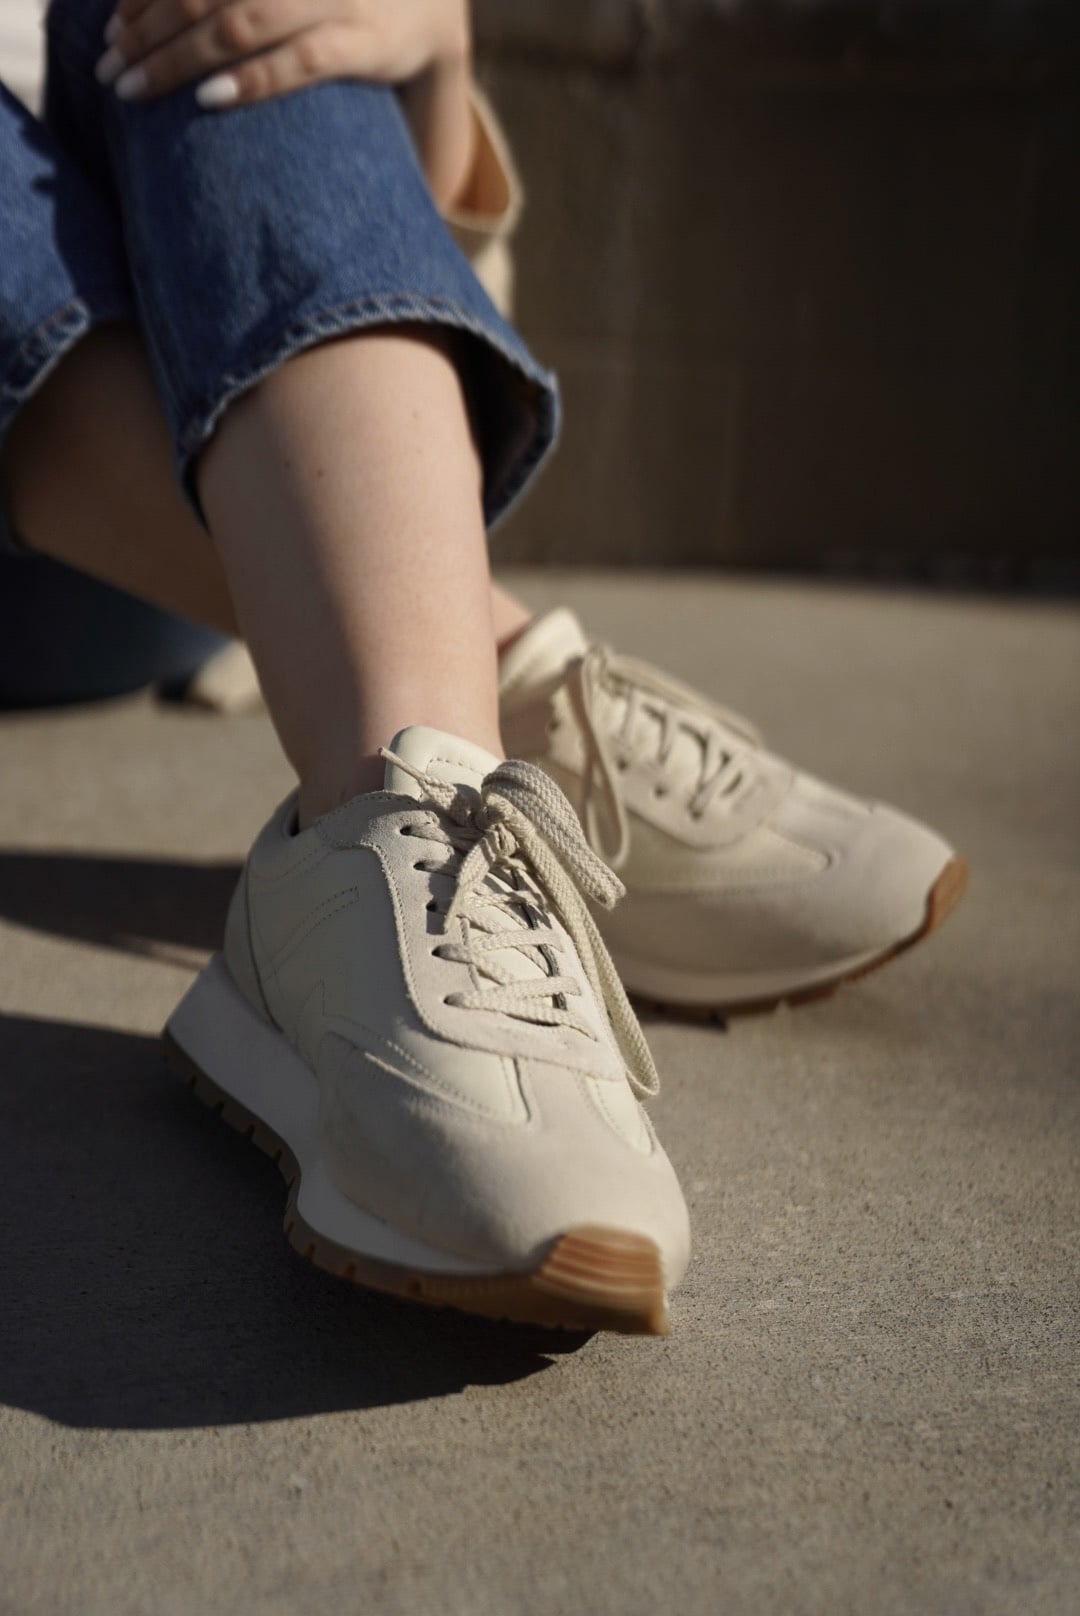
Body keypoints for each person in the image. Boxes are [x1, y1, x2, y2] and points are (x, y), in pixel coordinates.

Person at [0, 0, 965, 1335]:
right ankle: (462, 710)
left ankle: (409, 769)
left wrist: (434, 48)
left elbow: (420, 269)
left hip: (217, 498)